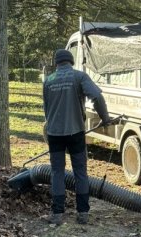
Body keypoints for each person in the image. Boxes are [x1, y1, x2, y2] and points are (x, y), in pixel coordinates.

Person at [43, 49, 110, 225]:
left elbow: (46, 109)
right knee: (80, 172)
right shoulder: (79, 76)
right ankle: (82, 213)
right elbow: (97, 97)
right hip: (76, 132)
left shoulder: (48, 81)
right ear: (71, 62)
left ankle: (57, 214)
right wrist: (105, 118)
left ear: (56, 63)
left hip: (54, 133)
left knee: (57, 172)